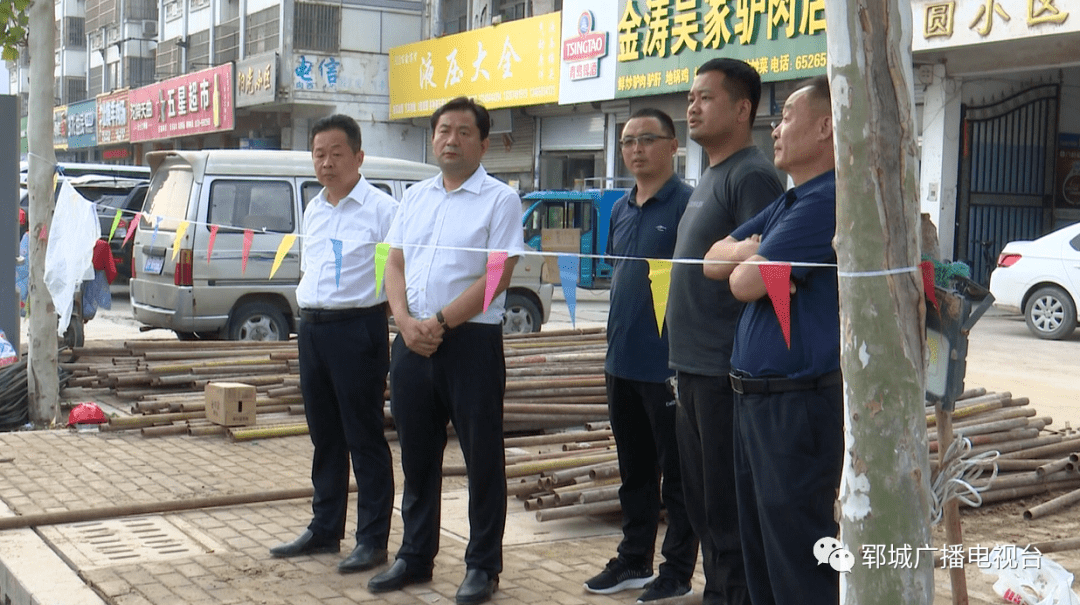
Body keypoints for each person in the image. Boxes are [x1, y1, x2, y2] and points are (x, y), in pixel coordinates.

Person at [369, 96, 523, 605]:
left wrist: (438, 321)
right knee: (416, 455)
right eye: (442, 130)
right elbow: (394, 264)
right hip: (411, 340)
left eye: (462, 131)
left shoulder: (500, 199)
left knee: (482, 459)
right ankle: (415, 557)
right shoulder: (414, 198)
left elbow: (499, 274)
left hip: (470, 342)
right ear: (432, 138)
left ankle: (482, 567)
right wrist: (405, 322)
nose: (450, 139)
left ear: (482, 141)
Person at [703, 75, 841, 605]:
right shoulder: (791, 201)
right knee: (759, 546)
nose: (775, 128)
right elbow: (714, 260)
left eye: (786, 117)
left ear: (826, 126)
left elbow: (745, 282)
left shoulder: (825, 201)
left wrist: (747, 256)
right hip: (756, 401)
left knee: (797, 555)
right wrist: (746, 253)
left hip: (796, 403)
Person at [665, 58, 784, 605]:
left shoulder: (751, 175)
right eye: (690, 97)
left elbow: (766, 270)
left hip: (722, 370)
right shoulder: (710, 174)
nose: (692, 106)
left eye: (706, 97)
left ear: (743, 109)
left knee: (727, 507)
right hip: (692, 367)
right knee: (704, 502)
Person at [269, 114, 398, 577]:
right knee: (324, 435)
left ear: (358, 157)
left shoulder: (382, 210)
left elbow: (395, 277)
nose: (326, 163)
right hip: (313, 329)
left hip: (358, 329)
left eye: (336, 154)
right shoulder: (314, 208)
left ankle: (372, 540)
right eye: (318, 155)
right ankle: (325, 527)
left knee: (363, 435)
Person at [583, 108, 698, 602]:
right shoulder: (620, 209)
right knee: (634, 470)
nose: (635, 149)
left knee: (679, 475)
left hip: (669, 367)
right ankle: (633, 559)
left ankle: (676, 570)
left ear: (673, 145)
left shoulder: (690, 207)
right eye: (628, 141)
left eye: (646, 139)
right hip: (621, 361)